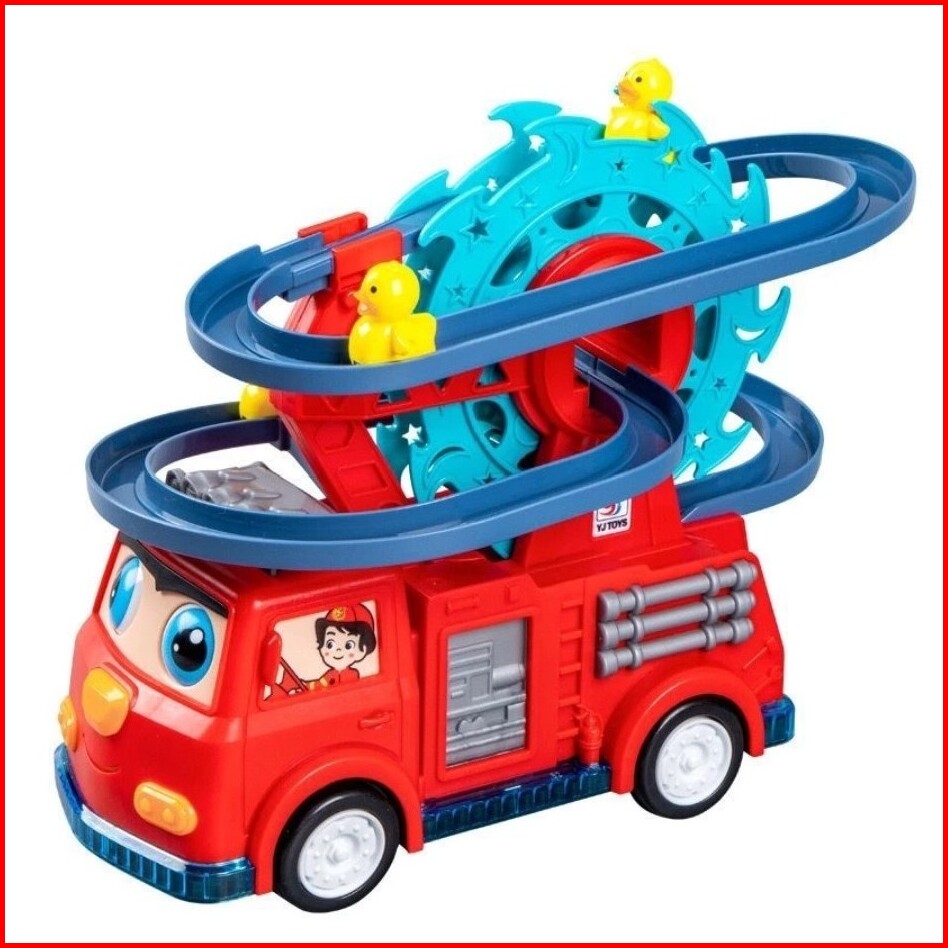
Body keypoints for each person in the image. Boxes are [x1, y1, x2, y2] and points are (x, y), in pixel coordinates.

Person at [310, 603, 377, 689]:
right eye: (330, 644)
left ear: (363, 650)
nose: (338, 650)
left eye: (348, 646)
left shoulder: (354, 674)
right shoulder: (330, 675)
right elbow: (316, 686)